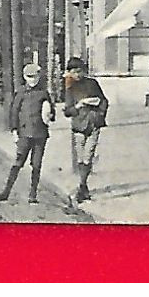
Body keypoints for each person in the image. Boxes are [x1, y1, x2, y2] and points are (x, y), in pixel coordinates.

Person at [0, 62, 56, 203]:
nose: (32, 80)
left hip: (40, 134)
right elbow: (14, 112)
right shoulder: (21, 93)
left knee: (36, 164)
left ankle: (33, 194)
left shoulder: (43, 93)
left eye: (35, 77)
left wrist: (49, 115)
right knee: (18, 162)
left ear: (39, 77)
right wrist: (14, 130)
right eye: (29, 77)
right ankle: (6, 191)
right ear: (24, 77)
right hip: (24, 133)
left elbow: (51, 111)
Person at [62, 56, 109, 203]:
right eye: (74, 72)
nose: (78, 75)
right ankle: (84, 187)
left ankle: (82, 186)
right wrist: (78, 105)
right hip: (78, 126)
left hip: (93, 123)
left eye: (80, 71)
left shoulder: (92, 83)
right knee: (81, 157)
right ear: (69, 73)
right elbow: (67, 111)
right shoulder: (70, 89)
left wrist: (100, 112)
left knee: (88, 155)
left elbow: (104, 101)